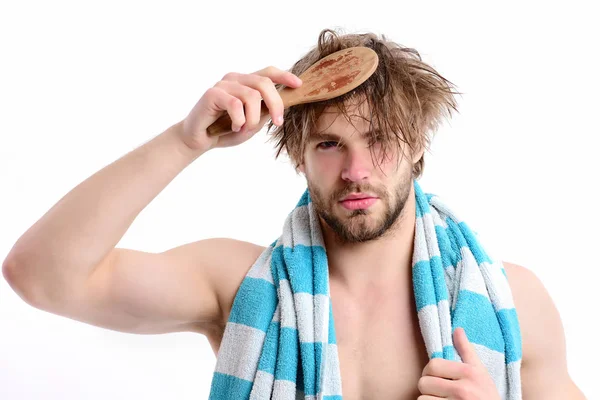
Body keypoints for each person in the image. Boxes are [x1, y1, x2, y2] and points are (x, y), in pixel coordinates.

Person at [2, 29, 586, 400]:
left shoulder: (514, 301)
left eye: (379, 139)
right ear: (299, 158)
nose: (356, 170)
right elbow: (42, 276)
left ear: (418, 149)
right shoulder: (237, 288)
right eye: (329, 144)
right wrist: (186, 141)